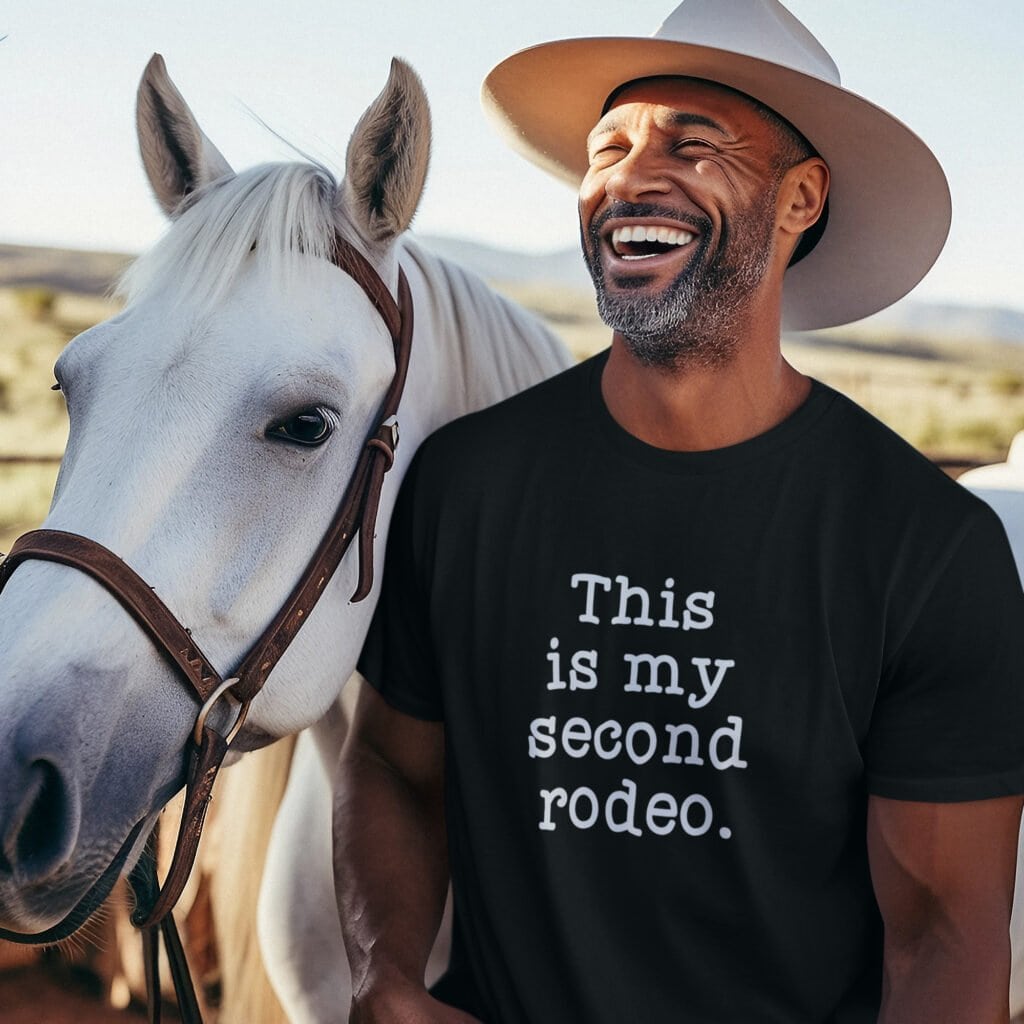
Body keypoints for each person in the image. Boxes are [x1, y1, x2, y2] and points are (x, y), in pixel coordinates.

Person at [333, 1, 1024, 1021]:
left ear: (799, 200)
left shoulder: (922, 548)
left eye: (694, 147)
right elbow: (393, 758)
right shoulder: (466, 485)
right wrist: (384, 971)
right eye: (606, 147)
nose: (630, 175)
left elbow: (945, 928)